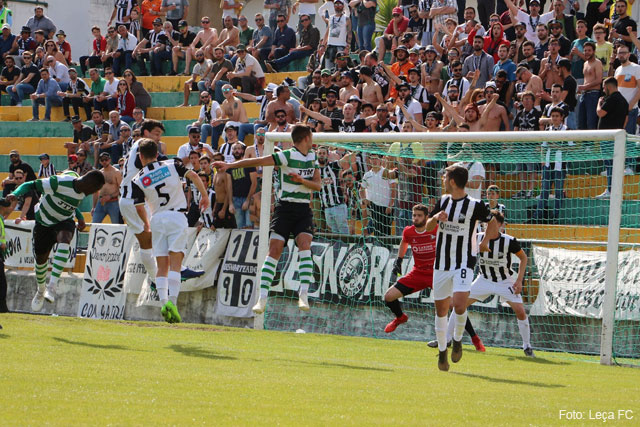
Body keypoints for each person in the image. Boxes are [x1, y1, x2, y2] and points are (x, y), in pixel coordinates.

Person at [213, 124, 321, 313]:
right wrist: (230, 165)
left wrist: (302, 181)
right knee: (274, 250)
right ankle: (262, 298)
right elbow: (258, 161)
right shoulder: (286, 156)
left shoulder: (313, 157)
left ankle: (303, 294)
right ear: (306, 138)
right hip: (285, 208)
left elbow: (318, 185)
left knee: (305, 245)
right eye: (311, 136)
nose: (312, 139)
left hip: (303, 209)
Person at [426, 165, 497, 371]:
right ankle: (442, 352)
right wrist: (435, 218)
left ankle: (457, 340)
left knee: (458, 304)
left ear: (453, 181)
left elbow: (492, 223)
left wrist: (485, 242)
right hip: (442, 263)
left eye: (445, 177)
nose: (442, 180)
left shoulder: (475, 204)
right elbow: (428, 227)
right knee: (440, 310)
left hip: (464, 261)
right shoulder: (443, 201)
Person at [131, 138, 209, 323]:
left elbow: (139, 206)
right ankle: (173, 302)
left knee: (162, 265)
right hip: (177, 217)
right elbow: (195, 176)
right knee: (176, 263)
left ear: (141, 157)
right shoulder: (173, 164)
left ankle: (164, 302)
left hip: (157, 219)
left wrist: (146, 223)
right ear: (157, 154)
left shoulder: (137, 179)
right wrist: (204, 196)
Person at [7, 170, 104, 312]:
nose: (93, 193)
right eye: (94, 190)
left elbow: (71, 205)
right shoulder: (58, 182)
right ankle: (41, 290)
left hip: (64, 221)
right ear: (88, 184)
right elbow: (30, 184)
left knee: (65, 238)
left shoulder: (82, 190)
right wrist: (15, 194)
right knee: (41, 260)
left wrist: (81, 218)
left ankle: (52, 287)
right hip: (43, 223)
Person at [466, 211, 534, 357]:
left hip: (504, 281)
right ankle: (448, 339)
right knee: (458, 304)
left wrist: (519, 280)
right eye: (485, 223)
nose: (487, 225)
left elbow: (523, 258)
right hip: (483, 279)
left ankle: (527, 346)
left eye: (491, 223)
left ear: (500, 225)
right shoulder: (477, 238)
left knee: (520, 311)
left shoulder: (509, 241)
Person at [384, 204, 437, 332]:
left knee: (452, 305)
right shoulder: (408, 231)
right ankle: (400, 317)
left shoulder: (436, 229)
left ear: (427, 217)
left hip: (436, 274)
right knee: (388, 296)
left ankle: (473, 338)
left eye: (419, 216)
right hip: (418, 273)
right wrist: (399, 261)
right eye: (414, 215)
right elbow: (404, 242)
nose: (416, 218)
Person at [596, 77, 629, 199]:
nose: (603, 90)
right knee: (613, 164)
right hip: (617, 137)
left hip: (608, 137)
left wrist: (599, 103)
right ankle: (613, 189)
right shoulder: (624, 101)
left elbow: (600, 113)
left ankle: (610, 190)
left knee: (610, 164)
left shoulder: (611, 99)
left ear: (609, 87)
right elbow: (626, 120)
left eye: (604, 88)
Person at [316, 146, 349, 234]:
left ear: (327, 155)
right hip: (326, 208)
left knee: (343, 231)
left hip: (338, 205)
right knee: (334, 232)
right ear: (316, 155)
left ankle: (346, 247)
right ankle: (337, 248)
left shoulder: (333, 166)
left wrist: (354, 152)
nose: (321, 155)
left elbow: (344, 160)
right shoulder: (315, 171)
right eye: (320, 153)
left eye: (324, 153)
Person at [227, 142, 257, 228]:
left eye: (239, 148)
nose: (237, 151)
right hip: (236, 199)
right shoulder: (230, 166)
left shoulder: (249, 164)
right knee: (239, 226)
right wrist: (230, 203)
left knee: (249, 225)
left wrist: (247, 200)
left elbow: (254, 183)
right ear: (232, 151)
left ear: (243, 150)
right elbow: (229, 186)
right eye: (235, 149)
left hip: (249, 198)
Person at [578, 42, 603, 131]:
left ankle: (591, 144)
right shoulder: (585, 63)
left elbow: (599, 80)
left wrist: (585, 87)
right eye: (585, 51)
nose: (587, 52)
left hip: (593, 94)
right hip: (584, 94)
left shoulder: (597, 63)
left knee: (591, 122)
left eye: (589, 50)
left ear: (594, 51)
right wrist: (582, 89)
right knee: (582, 122)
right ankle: (584, 144)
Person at [92, 153, 123, 224]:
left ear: (109, 160)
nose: (104, 161)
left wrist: (110, 196)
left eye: (106, 159)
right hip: (101, 202)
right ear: (99, 161)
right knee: (94, 225)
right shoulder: (99, 173)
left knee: (116, 226)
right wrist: (94, 207)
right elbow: (96, 191)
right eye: (102, 160)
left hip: (113, 202)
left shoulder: (116, 172)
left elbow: (121, 189)